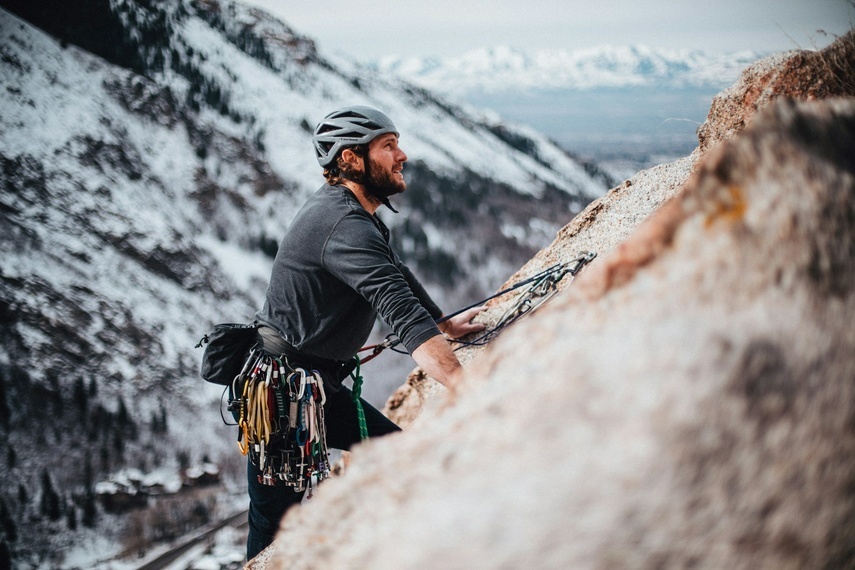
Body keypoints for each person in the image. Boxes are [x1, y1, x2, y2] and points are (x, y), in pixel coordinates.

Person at [246, 105, 486, 559]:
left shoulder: (352, 215)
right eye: (388, 146)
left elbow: (393, 273)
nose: (403, 155)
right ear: (352, 158)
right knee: (274, 528)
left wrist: (443, 322)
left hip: (309, 384)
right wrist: (465, 385)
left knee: (395, 456)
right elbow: (397, 308)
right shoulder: (344, 224)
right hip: (283, 395)